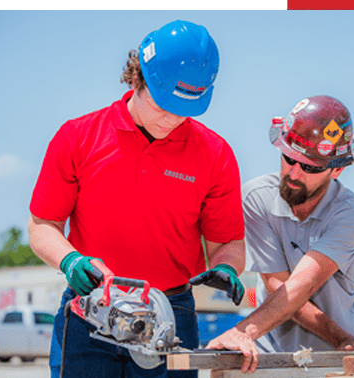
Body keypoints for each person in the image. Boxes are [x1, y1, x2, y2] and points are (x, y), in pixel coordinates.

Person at [27, 20, 246, 378]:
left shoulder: (215, 154)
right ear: (136, 80)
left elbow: (228, 243)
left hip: (170, 313)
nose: (173, 119)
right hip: (91, 310)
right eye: (163, 105)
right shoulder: (78, 138)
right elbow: (42, 226)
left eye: (184, 109)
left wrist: (226, 267)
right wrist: (69, 260)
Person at [205, 95, 354, 372]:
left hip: (333, 358)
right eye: (288, 158)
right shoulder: (257, 198)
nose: (293, 173)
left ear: (337, 169)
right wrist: (338, 335)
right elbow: (277, 285)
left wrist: (244, 331)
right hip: (272, 355)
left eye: (309, 166)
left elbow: (301, 287)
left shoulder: (350, 213)